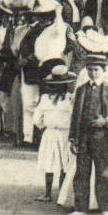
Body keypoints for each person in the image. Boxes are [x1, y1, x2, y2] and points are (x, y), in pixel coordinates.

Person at [62, 51, 108, 215]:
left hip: (102, 138)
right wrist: (72, 139)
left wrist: (105, 121)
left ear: (103, 70)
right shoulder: (82, 90)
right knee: (81, 173)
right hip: (83, 138)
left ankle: (105, 207)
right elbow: (75, 116)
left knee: (103, 173)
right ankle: (80, 208)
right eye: (90, 69)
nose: (93, 72)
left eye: (96, 69)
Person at [32, 63, 76, 203]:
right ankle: (48, 192)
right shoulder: (45, 99)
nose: (58, 87)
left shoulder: (71, 99)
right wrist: (44, 128)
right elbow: (37, 119)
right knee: (49, 163)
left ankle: (60, 192)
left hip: (64, 133)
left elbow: (74, 117)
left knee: (64, 163)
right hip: (51, 133)